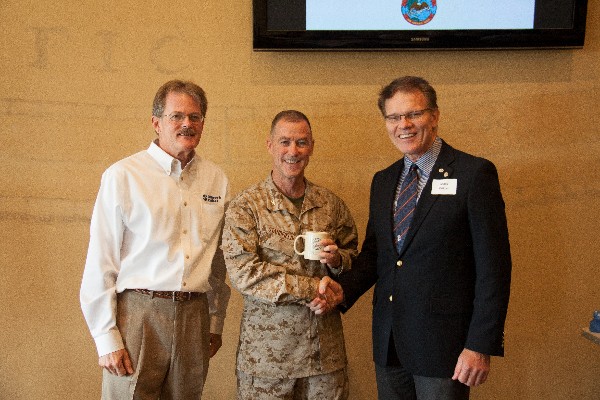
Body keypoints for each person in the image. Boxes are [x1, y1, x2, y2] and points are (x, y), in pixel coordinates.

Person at [313, 76, 512, 400]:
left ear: (434, 116)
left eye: (414, 114)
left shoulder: (474, 175)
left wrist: (480, 344)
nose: (403, 124)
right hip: (390, 345)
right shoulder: (383, 181)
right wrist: (343, 289)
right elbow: (379, 255)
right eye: (393, 117)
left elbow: (495, 269)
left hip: (445, 349)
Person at [80, 80, 231, 399]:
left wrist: (215, 322)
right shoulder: (123, 176)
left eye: (195, 117)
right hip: (138, 315)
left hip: (195, 317)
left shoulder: (216, 179)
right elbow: (100, 261)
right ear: (156, 122)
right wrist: (106, 338)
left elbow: (218, 261)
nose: (187, 124)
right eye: (177, 116)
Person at [222, 110, 359, 400]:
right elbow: (244, 274)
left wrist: (337, 262)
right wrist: (314, 288)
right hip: (267, 361)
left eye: (301, 143)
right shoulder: (246, 207)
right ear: (270, 145)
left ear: (311, 146)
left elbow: (354, 261)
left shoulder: (331, 205)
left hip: (325, 357)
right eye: (285, 142)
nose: (293, 152)